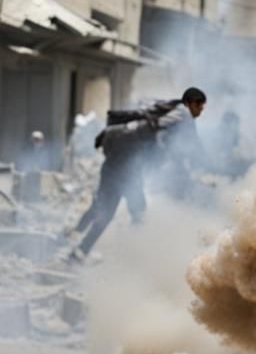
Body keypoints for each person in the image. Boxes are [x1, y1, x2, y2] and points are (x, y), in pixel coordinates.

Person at [72, 86, 207, 257]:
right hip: (125, 166)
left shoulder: (168, 108)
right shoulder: (183, 114)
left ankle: (79, 244)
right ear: (190, 103)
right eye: (199, 106)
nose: (200, 111)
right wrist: (209, 163)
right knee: (129, 213)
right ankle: (129, 255)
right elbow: (192, 144)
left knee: (112, 210)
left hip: (121, 163)